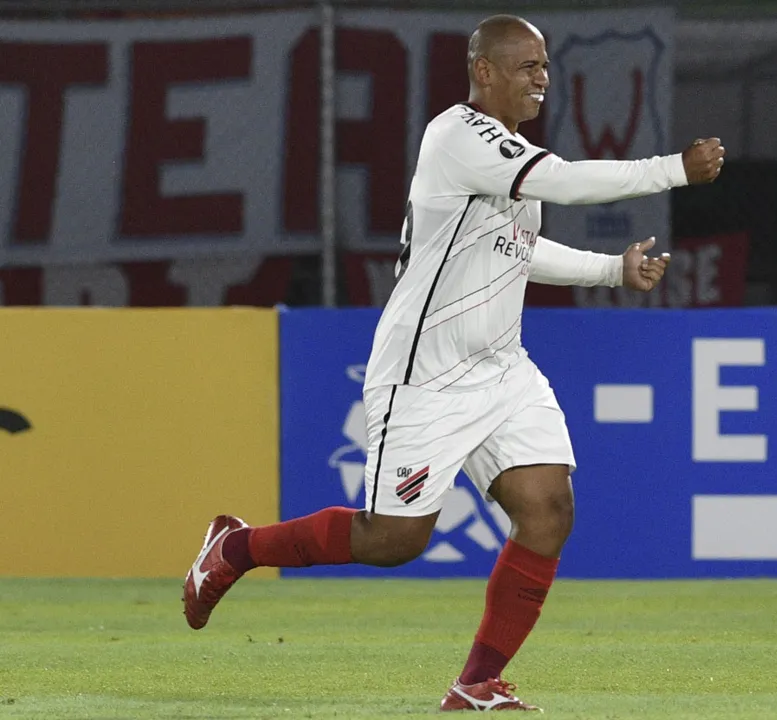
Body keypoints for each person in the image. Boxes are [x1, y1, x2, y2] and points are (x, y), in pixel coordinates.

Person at [183, 13, 724, 712]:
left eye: (544, 65)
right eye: (526, 65)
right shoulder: (458, 136)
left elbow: (516, 248)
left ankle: (475, 684)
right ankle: (236, 549)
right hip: (425, 373)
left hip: (501, 368)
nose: (541, 78)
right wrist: (671, 169)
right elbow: (562, 184)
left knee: (548, 510)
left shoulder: (506, 153)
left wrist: (609, 272)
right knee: (392, 540)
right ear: (484, 72)